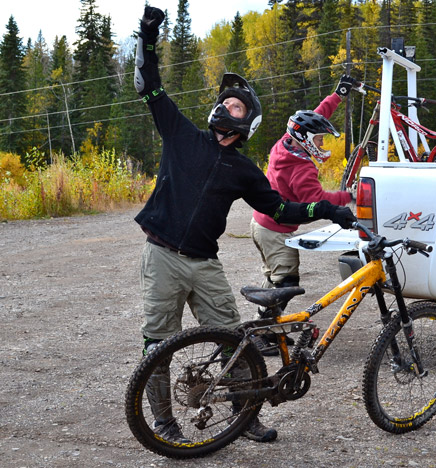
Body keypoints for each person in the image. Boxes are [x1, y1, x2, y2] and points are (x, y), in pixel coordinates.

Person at [132, 6, 355, 445]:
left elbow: (283, 209)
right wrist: (147, 35)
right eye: (224, 101)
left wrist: (328, 210)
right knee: (157, 346)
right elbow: (148, 84)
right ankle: (162, 421)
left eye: (235, 103)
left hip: (204, 264)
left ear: (246, 120)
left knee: (238, 344)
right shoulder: (181, 134)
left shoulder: (244, 169)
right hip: (161, 255)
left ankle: (243, 417)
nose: (225, 105)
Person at [249, 76, 357, 355]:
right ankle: (262, 336)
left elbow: (315, 117)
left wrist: (338, 95)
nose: (321, 143)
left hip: (261, 224)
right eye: (318, 139)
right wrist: (350, 196)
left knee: (274, 278)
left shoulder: (288, 141)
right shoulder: (301, 168)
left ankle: (261, 328)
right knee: (286, 282)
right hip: (274, 228)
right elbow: (318, 201)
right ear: (306, 140)